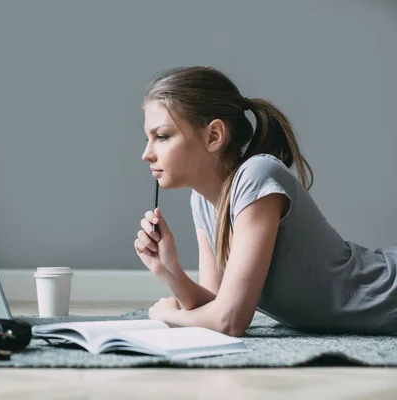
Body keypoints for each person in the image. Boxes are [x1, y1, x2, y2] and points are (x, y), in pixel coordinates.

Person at [134, 66, 397, 336]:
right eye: (148, 139)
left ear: (214, 136)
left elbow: (229, 320)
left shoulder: (256, 175)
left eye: (162, 136)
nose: (147, 154)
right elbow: (217, 304)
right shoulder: (201, 200)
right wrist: (168, 270)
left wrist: (169, 317)